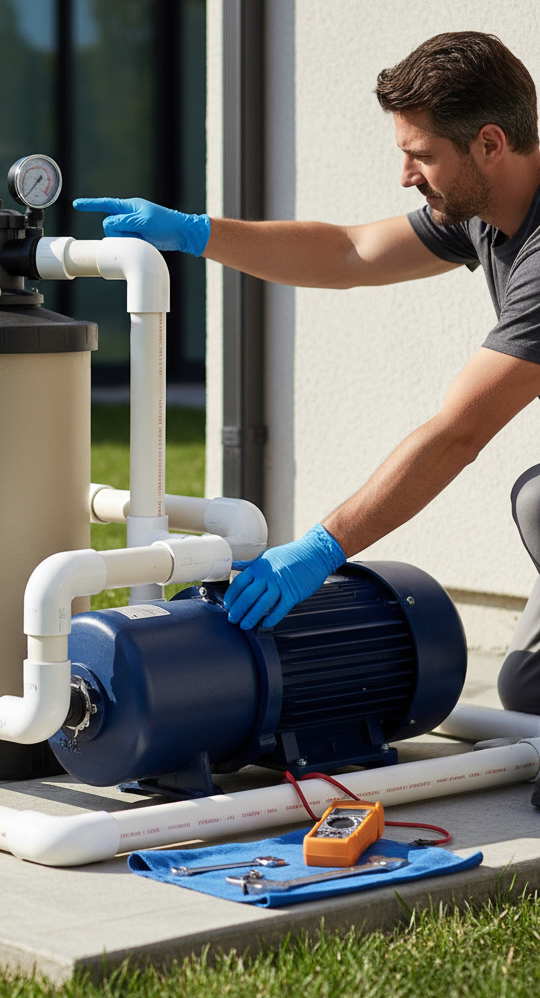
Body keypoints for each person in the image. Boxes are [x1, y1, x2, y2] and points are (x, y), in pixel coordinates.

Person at [75, 32, 540, 732]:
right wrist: (196, 232)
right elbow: (350, 252)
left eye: (421, 156)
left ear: (490, 145)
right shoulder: (487, 215)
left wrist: (322, 549)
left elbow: (457, 434)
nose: (407, 176)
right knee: (531, 691)